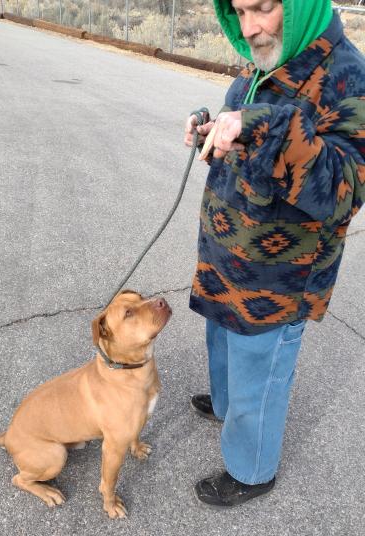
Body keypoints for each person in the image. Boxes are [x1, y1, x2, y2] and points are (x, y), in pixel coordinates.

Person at [184, 0, 365, 508]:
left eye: (262, 8)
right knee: (222, 340)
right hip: (226, 250)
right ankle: (225, 406)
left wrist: (267, 126)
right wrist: (211, 127)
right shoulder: (267, 57)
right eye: (239, 12)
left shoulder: (348, 75)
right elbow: (243, 126)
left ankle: (252, 468)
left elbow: (344, 189)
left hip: (278, 276)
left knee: (259, 369)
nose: (251, 28)